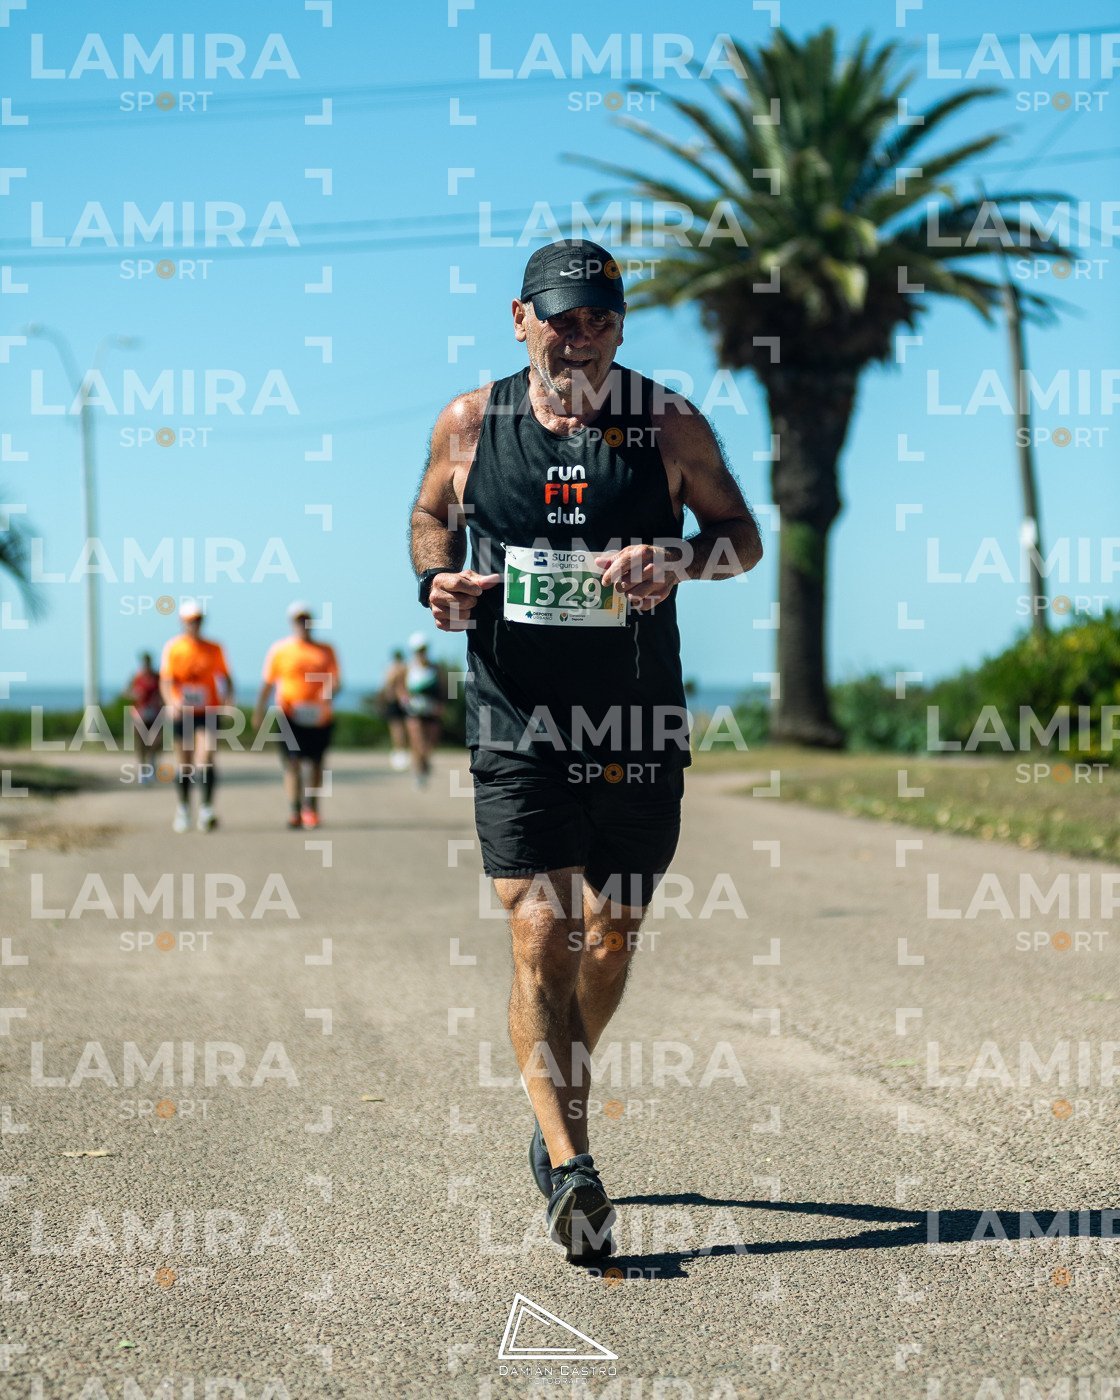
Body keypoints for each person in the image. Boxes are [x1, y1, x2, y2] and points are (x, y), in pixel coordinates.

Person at [410, 239, 763, 1263]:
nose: (582, 335)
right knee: (540, 929)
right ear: (519, 318)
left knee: (609, 935)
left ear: (620, 323)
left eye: (601, 317)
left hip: (636, 717)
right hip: (515, 713)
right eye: (562, 317)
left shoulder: (668, 423)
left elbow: (741, 536)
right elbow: (432, 515)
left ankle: (549, 1093)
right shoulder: (470, 424)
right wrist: (438, 580)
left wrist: (676, 556)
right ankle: (572, 1165)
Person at [252, 601, 342, 829]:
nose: (303, 624)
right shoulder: (280, 650)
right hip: (289, 714)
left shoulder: (326, 650)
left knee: (315, 763)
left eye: (306, 619)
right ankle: (295, 809)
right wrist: (259, 711)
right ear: (292, 623)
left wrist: (327, 694)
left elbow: (336, 680)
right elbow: (268, 683)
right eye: (298, 620)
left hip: (319, 716)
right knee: (292, 763)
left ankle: (311, 808)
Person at [159, 600, 233, 833]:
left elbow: (226, 677)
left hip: (208, 710)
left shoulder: (215, 648)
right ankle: (183, 808)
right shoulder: (174, 647)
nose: (195, 624)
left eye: (198, 620)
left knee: (207, 757)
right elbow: (166, 680)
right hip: (183, 712)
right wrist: (171, 703)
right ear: (182, 622)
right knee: (185, 763)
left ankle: (206, 809)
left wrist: (228, 701)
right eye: (190, 621)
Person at [400, 632, 444, 789]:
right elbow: (401, 687)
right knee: (417, 742)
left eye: (423, 650)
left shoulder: (435, 668)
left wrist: (442, 704)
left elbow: (443, 688)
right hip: (414, 711)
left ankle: (424, 765)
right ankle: (418, 772)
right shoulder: (408, 668)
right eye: (418, 650)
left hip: (432, 710)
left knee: (430, 743)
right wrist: (405, 700)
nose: (421, 653)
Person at [125, 651, 162, 784]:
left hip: (155, 714)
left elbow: (164, 691)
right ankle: (143, 770)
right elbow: (126, 692)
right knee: (140, 744)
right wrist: (135, 694)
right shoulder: (136, 677)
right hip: (139, 714)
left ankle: (151, 764)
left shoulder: (157, 677)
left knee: (155, 742)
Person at [377, 649, 410, 771]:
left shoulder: (393, 669)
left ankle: (400, 751)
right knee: (403, 727)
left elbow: (387, 684)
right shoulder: (406, 667)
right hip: (403, 700)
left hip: (396, 700)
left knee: (397, 728)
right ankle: (402, 750)